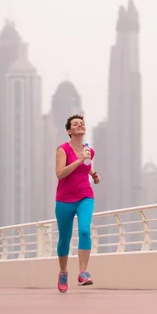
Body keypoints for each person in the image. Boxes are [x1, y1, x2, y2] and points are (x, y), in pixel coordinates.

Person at [54, 114, 100, 293]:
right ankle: (63, 272)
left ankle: (83, 273)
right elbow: (60, 173)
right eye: (75, 124)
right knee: (64, 238)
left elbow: (86, 167)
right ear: (69, 131)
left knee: (84, 230)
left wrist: (94, 175)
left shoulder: (89, 150)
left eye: (82, 123)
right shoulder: (63, 150)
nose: (80, 125)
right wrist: (79, 159)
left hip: (85, 196)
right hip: (64, 199)